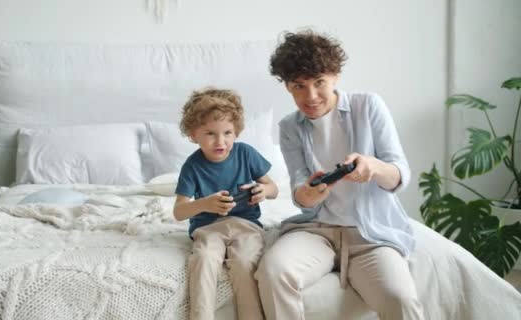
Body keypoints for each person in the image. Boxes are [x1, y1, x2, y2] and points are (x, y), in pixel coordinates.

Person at [254, 30, 425, 320]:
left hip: (369, 235)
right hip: (316, 230)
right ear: (287, 86)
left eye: (319, 83)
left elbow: (399, 174)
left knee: (401, 299)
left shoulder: (368, 106)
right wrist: (305, 193)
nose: (310, 97)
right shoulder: (289, 127)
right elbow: (299, 190)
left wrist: (373, 167)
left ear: (335, 76)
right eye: (299, 86)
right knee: (273, 271)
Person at [173, 87, 279, 320]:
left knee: (244, 263)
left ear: (236, 132)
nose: (220, 141)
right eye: (210, 133)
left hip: (246, 226)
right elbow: (179, 212)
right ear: (193, 135)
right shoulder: (192, 166)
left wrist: (263, 191)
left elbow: (274, 189)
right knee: (204, 259)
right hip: (208, 228)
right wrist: (205, 204)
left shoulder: (246, 154)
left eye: (228, 133)